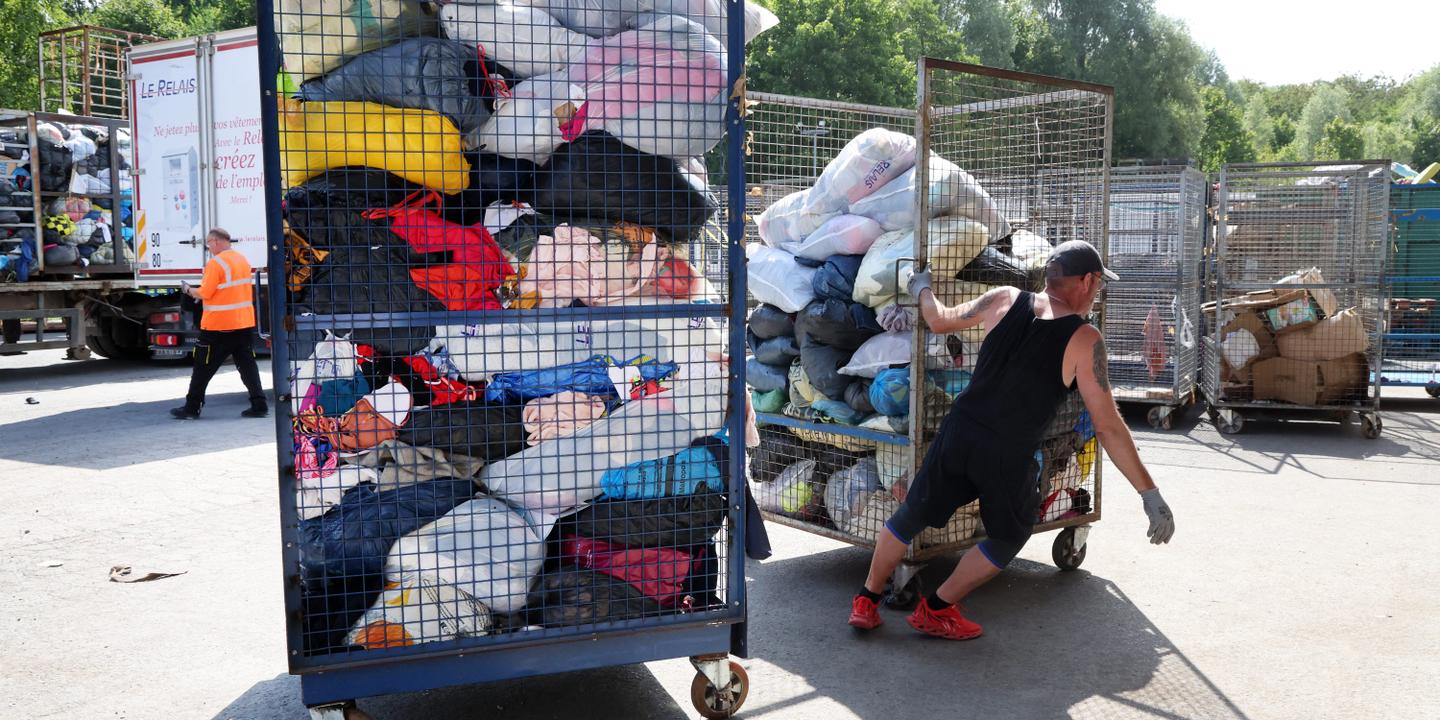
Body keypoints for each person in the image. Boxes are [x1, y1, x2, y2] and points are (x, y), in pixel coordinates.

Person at [848, 240, 1175, 640]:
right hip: (1007, 450)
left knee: (910, 515)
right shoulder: (1085, 339)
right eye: (1099, 285)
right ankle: (936, 609)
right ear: (1087, 281)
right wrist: (1149, 494)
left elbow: (939, 321)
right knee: (1008, 536)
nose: (1097, 294)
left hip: (960, 429)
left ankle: (865, 601)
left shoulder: (1004, 298)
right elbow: (1106, 425)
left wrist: (922, 289)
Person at [170, 228, 268, 419]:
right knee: (247, 366)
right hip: (243, 324)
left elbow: (204, 293)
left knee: (202, 367)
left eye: (208, 244)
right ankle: (259, 405)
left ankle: (191, 408)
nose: (208, 248)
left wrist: (189, 289)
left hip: (218, 327)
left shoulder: (216, 264)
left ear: (215, 242)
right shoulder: (241, 260)